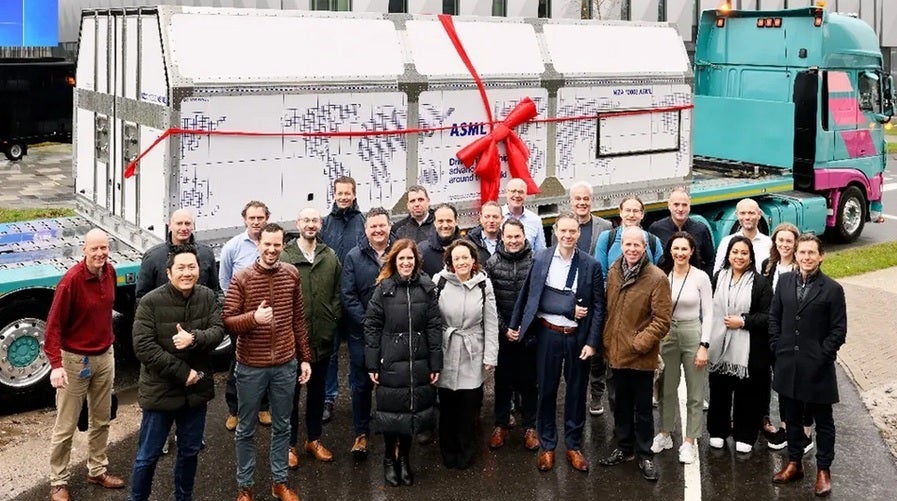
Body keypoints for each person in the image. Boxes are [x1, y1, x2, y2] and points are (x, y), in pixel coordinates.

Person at [222, 223, 312, 501]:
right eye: (267, 244)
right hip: (250, 366)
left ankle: (279, 483)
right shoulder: (243, 277)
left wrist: (305, 358)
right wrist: (253, 319)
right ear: (258, 245)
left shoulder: (291, 274)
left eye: (277, 245)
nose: (272, 250)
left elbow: (298, 319)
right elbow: (227, 321)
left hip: (285, 364)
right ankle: (245, 487)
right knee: (246, 429)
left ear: (283, 245)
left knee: (283, 427)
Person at [509, 212, 604, 473]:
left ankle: (573, 446)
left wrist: (592, 342)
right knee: (547, 391)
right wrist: (514, 325)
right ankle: (547, 446)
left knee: (575, 393)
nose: (568, 235)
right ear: (555, 231)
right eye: (563, 231)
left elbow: (597, 307)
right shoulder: (541, 259)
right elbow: (529, 295)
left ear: (579, 233)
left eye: (573, 231)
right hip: (548, 335)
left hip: (577, 339)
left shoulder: (590, 265)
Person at [129, 245, 225, 501]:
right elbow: (143, 346)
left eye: (191, 267)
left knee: (190, 452)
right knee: (147, 456)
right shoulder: (151, 301)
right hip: (161, 391)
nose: (187, 273)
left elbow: (218, 330)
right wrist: (183, 373)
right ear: (169, 273)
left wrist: (194, 338)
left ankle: (184, 497)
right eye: (180, 268)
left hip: (195, 394)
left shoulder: (206, 296)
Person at [45, 229, 126, 501]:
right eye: (95, 249)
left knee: (102, 419)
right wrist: (56, 365)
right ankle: (58, 481)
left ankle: (97, 470)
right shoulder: (71, 281)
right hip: (74, 361)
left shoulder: (110, 272)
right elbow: (53, 327)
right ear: (84, 249)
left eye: (104, 248)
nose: (100, 254)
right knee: (65, 426)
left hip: (105, 356)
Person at [769, 234, 847, 497]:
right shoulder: (785, 281)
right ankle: (794, 463)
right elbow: (774, 317)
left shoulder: (833, 289)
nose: (806, 257)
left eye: (812, 253)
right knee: (790, 418)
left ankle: (824, 471)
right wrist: (778, 347)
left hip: (818, 368)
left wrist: (821, 357)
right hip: (788, 363)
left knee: (823, 422)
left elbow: (838, 331)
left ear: (821, 256)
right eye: (802, 252)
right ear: (797, 254)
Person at [364, 239, 443, 487]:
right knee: (391, 414)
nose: (406, 263)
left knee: (411, 413)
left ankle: (405, 459)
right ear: (394, 262)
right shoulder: (384, 289)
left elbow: (433, 326)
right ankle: (389, 458)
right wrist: (372, 363)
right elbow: (372, 325)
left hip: (418, 362)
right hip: (391, 362)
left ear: (416, 261)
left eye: (410, 258)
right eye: (402, 259)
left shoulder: (426, 288)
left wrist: (435, 362)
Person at [598, 226, 671, 482]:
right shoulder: (614, 272)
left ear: (644, 248)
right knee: (621, 405)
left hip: (641, 356)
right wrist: (607, 340)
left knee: (642, 408)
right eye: (627, 245)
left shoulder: (657, 277)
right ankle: (624, 447)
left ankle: (645, 453)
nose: (631, 249)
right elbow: (608, 309)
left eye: (636, 245)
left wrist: (640, 342)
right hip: (616, 353)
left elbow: (662, 320)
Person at [279, 208, 341, 467]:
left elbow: (337, 294)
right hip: (293, 342)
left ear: (320, 224)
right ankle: (289, 445)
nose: (310, 224)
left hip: (322, 339)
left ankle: (313, 439)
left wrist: (332, 319)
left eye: (315, 220)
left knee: (317, 394)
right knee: (289, 397)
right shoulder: (286, 257)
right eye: (306, 220)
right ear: (298, 223)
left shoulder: (329, 257)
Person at [434, 240, 499, 469]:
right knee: (447, 405)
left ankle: (466, 449)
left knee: (468, 405)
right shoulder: (439, 281)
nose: (461, 262)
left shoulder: (484, 284)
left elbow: (490, 322)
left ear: (473, 260)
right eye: (456, 258)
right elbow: (432, 321)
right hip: (446, 348)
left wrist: (490, 356)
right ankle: (447, 450)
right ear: (450, 262)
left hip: (473, 350)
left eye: (465, 257)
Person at [650, 232, 713, 464]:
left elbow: (709, 312)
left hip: (692, 332)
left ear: (692, 251)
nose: (679, 253)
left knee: (695, 392)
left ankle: (690, 441)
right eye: (676, 249)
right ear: (669, 251)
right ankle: (665, 434)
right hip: (667, 334)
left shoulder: (700, 277)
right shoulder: (661, 275)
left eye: (684, 249)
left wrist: (704, 346)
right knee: (666, 386)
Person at [706, 236, 773, 454]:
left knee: (747, 394)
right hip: (719, 347)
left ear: (751, 257)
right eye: (735, 252)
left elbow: (768, 316)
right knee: (719, 391)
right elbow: (709, 311)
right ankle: (718, 430)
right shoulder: (717, 277)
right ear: (728, 255)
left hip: (749, 350)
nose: (739, 257)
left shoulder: (761, 284)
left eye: (744, 253)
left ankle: (746, 434)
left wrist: (743, 321)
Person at [341, 207, 394, 460]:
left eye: (382, 225)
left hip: (394, 334)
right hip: (361, 334)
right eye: (373, 226)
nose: (378, 230)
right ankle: (361, 434)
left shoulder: (400, 252)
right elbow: (348, 295)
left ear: (389, 226)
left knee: (391, 385)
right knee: (361, 385)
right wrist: (368, 322)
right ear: (366, 229)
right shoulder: (353, 256)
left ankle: (391, 432)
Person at [485, 219, 538, 452]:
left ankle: (530, 426)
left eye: (517, 236)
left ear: (524, 236)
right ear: (502, 238)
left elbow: (538, 298)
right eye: (509, 237)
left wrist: (525, 328)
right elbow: (489, 302)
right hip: (503, 333)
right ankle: (501, 423)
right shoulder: (492, 263)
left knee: (529, 382)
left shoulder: (536, 261)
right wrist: (504, 328)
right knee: (503, 382)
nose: (514, 241)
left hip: (529, 334)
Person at [220, 201, 272, 431]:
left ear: (267, 219)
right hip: (242, 318)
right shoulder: (233, 247)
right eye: (252, 218)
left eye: (260, 218)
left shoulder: (271, 245)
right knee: (238, 363)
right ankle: (235, 410)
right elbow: (225, 282)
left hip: (267, 316)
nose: (256, 222)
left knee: (266, 362)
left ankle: (263, 407)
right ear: (244, 219)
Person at [562, 181, 611, 416]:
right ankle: (575, 392)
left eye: (586, 199)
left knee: (596, 350)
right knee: (572, 348)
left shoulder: (605, 226)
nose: (582, 203)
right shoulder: (563, 227)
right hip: (569, 300)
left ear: (592, 201)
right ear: (571, 201)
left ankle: (596, 394)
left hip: (595, 297)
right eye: (577, 199)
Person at [321, 176, 366, 424]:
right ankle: (329, 397)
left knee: (357, 353)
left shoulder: (363, 222)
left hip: (356, 300)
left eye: (348, 193)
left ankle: (358, 395)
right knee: (330, 354)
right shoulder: (325, 224)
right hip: (331, 301)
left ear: (354, 193)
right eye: (340, 193)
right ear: (334, 194)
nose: (344, 197)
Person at [760, 222, 803, 450]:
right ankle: (776, 423)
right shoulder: (768, 265)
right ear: (775, 241)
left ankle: (791, 429)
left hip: (792, 335)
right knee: (771, 379)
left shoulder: (800, 268)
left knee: (789, 384)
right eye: (781, 240)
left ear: (795, 243)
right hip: (770, 332)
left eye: (789, 241)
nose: (784, 244)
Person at [135, 208, 219, 302]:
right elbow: (142, 297)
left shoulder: (206, 253)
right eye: (179, 223)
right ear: (170, 226)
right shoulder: (153, 257)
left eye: (187, 223)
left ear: (193, 226)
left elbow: (214, 291)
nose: (183, 228)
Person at [648, 187, 715, 278]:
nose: (680, 209)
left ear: (689, 206)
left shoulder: (701, 229)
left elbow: (710, 261)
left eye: (684, 205)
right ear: (669, 205)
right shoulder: (656, 229)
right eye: (676, 204)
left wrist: (704, 281)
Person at [593, 197, 663, 280]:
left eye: (635, 211)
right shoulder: (606, 238)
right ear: (621, 212)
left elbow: (660, 277)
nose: (631, 215)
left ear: (642, 214)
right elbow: (601, 275)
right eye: (627, 210)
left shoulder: (654, 242)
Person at [712, 198, 772, 274]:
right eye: (742, 213)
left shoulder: (769, 243)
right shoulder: (726, 242)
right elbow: (717, 273)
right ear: (737, 215)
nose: (747, 217)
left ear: (759, 214)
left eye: (751, 213)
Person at [503, 177, 547, 252]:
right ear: (506, 193)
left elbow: (540, 252)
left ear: (526, 195)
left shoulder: (535, 220)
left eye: (521, 192)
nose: (517, 195)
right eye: (513, 191)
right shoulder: (497, 217)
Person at [419, 203, 461, 277]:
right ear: (434, 223)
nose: (445, 225)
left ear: (456, 221)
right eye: (440, 221)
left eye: (449, 221)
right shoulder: (422, 250)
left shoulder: (468, 249)